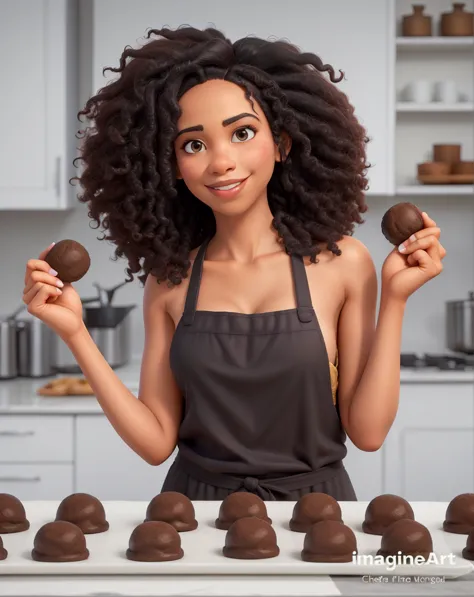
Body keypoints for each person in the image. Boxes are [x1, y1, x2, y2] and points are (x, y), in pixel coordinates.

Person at [22, 26, 446, 501]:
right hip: (195, 518)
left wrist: (395, 300)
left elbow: (367, 434)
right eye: (193, 144)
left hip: (317, 518)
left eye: (242, 133)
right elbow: (156, 443)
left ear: (282, 143)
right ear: (171, 167)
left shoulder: (344, 263)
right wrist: (76, 333)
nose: (221, 162)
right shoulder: (171, 280)